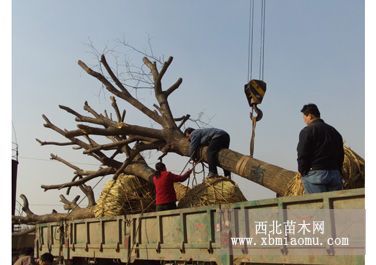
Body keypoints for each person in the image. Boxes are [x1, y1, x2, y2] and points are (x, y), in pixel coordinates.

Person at [297, 103, 344, 193]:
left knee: (319, 205)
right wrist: (337, 171)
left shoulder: (307, 131)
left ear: (310, 116)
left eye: (304, 117)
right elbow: (340, 154)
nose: (304, 120)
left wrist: (303, 171)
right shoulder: (334, 131)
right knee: (334, 205)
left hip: (316, 175)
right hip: (334, 174)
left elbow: (302, 153)